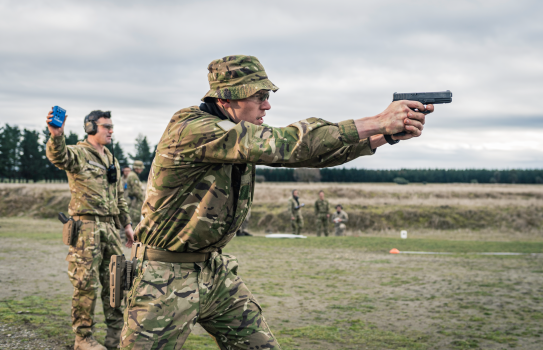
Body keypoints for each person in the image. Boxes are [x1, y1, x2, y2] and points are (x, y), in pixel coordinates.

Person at [121, 54, 432, 350]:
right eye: (259, 97)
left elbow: (311, 153)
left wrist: (386, 136)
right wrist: (378, 120)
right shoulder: (191, 128)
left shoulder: (241, 135)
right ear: (227, 99)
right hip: (163, 275)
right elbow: (289, 143)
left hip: (212, 270)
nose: (267, 105)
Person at [45, 109, 135, 350]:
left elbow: (119, 197)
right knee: (86, 284)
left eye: (111, 126)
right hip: (85, 228)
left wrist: (126, 225)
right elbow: (59, 157)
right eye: (106, 126)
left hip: (109, 227)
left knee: (117, 282)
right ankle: (83, 338)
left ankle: (116, 337)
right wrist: (57, 135)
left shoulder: (111, 159)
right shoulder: (79, 154)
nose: (111, 130)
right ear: (91, 128)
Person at [123, 160, 145, 229]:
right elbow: (136, 191)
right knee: (135, 221)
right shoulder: (133, 176)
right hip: (134, 202)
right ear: (137, 168)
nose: (141, 170)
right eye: (141, 168)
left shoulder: (133, 175)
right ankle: (133, 238)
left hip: (134, 202)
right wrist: (143, 200)